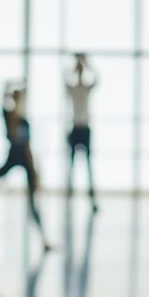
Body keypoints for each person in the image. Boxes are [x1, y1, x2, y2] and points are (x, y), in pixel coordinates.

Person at [0, 81, 51, 251]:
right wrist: (10, 86)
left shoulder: (22, 120)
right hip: (15, 156)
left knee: (33, 202)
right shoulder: (10, 117)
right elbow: (3, 97)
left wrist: (33, 168)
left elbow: (27, 146)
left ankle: (43, 239)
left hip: (22, 158)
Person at [65, 53, 98, 211]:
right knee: (71, 165)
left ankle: (92, 199)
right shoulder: (74, 90)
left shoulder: (85, 89)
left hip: (85, 128)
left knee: (88, 165)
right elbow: (64, 81)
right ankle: (69, 197)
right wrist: (74, 66)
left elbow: (97, 79)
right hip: (76, 128)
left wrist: (87, 64)